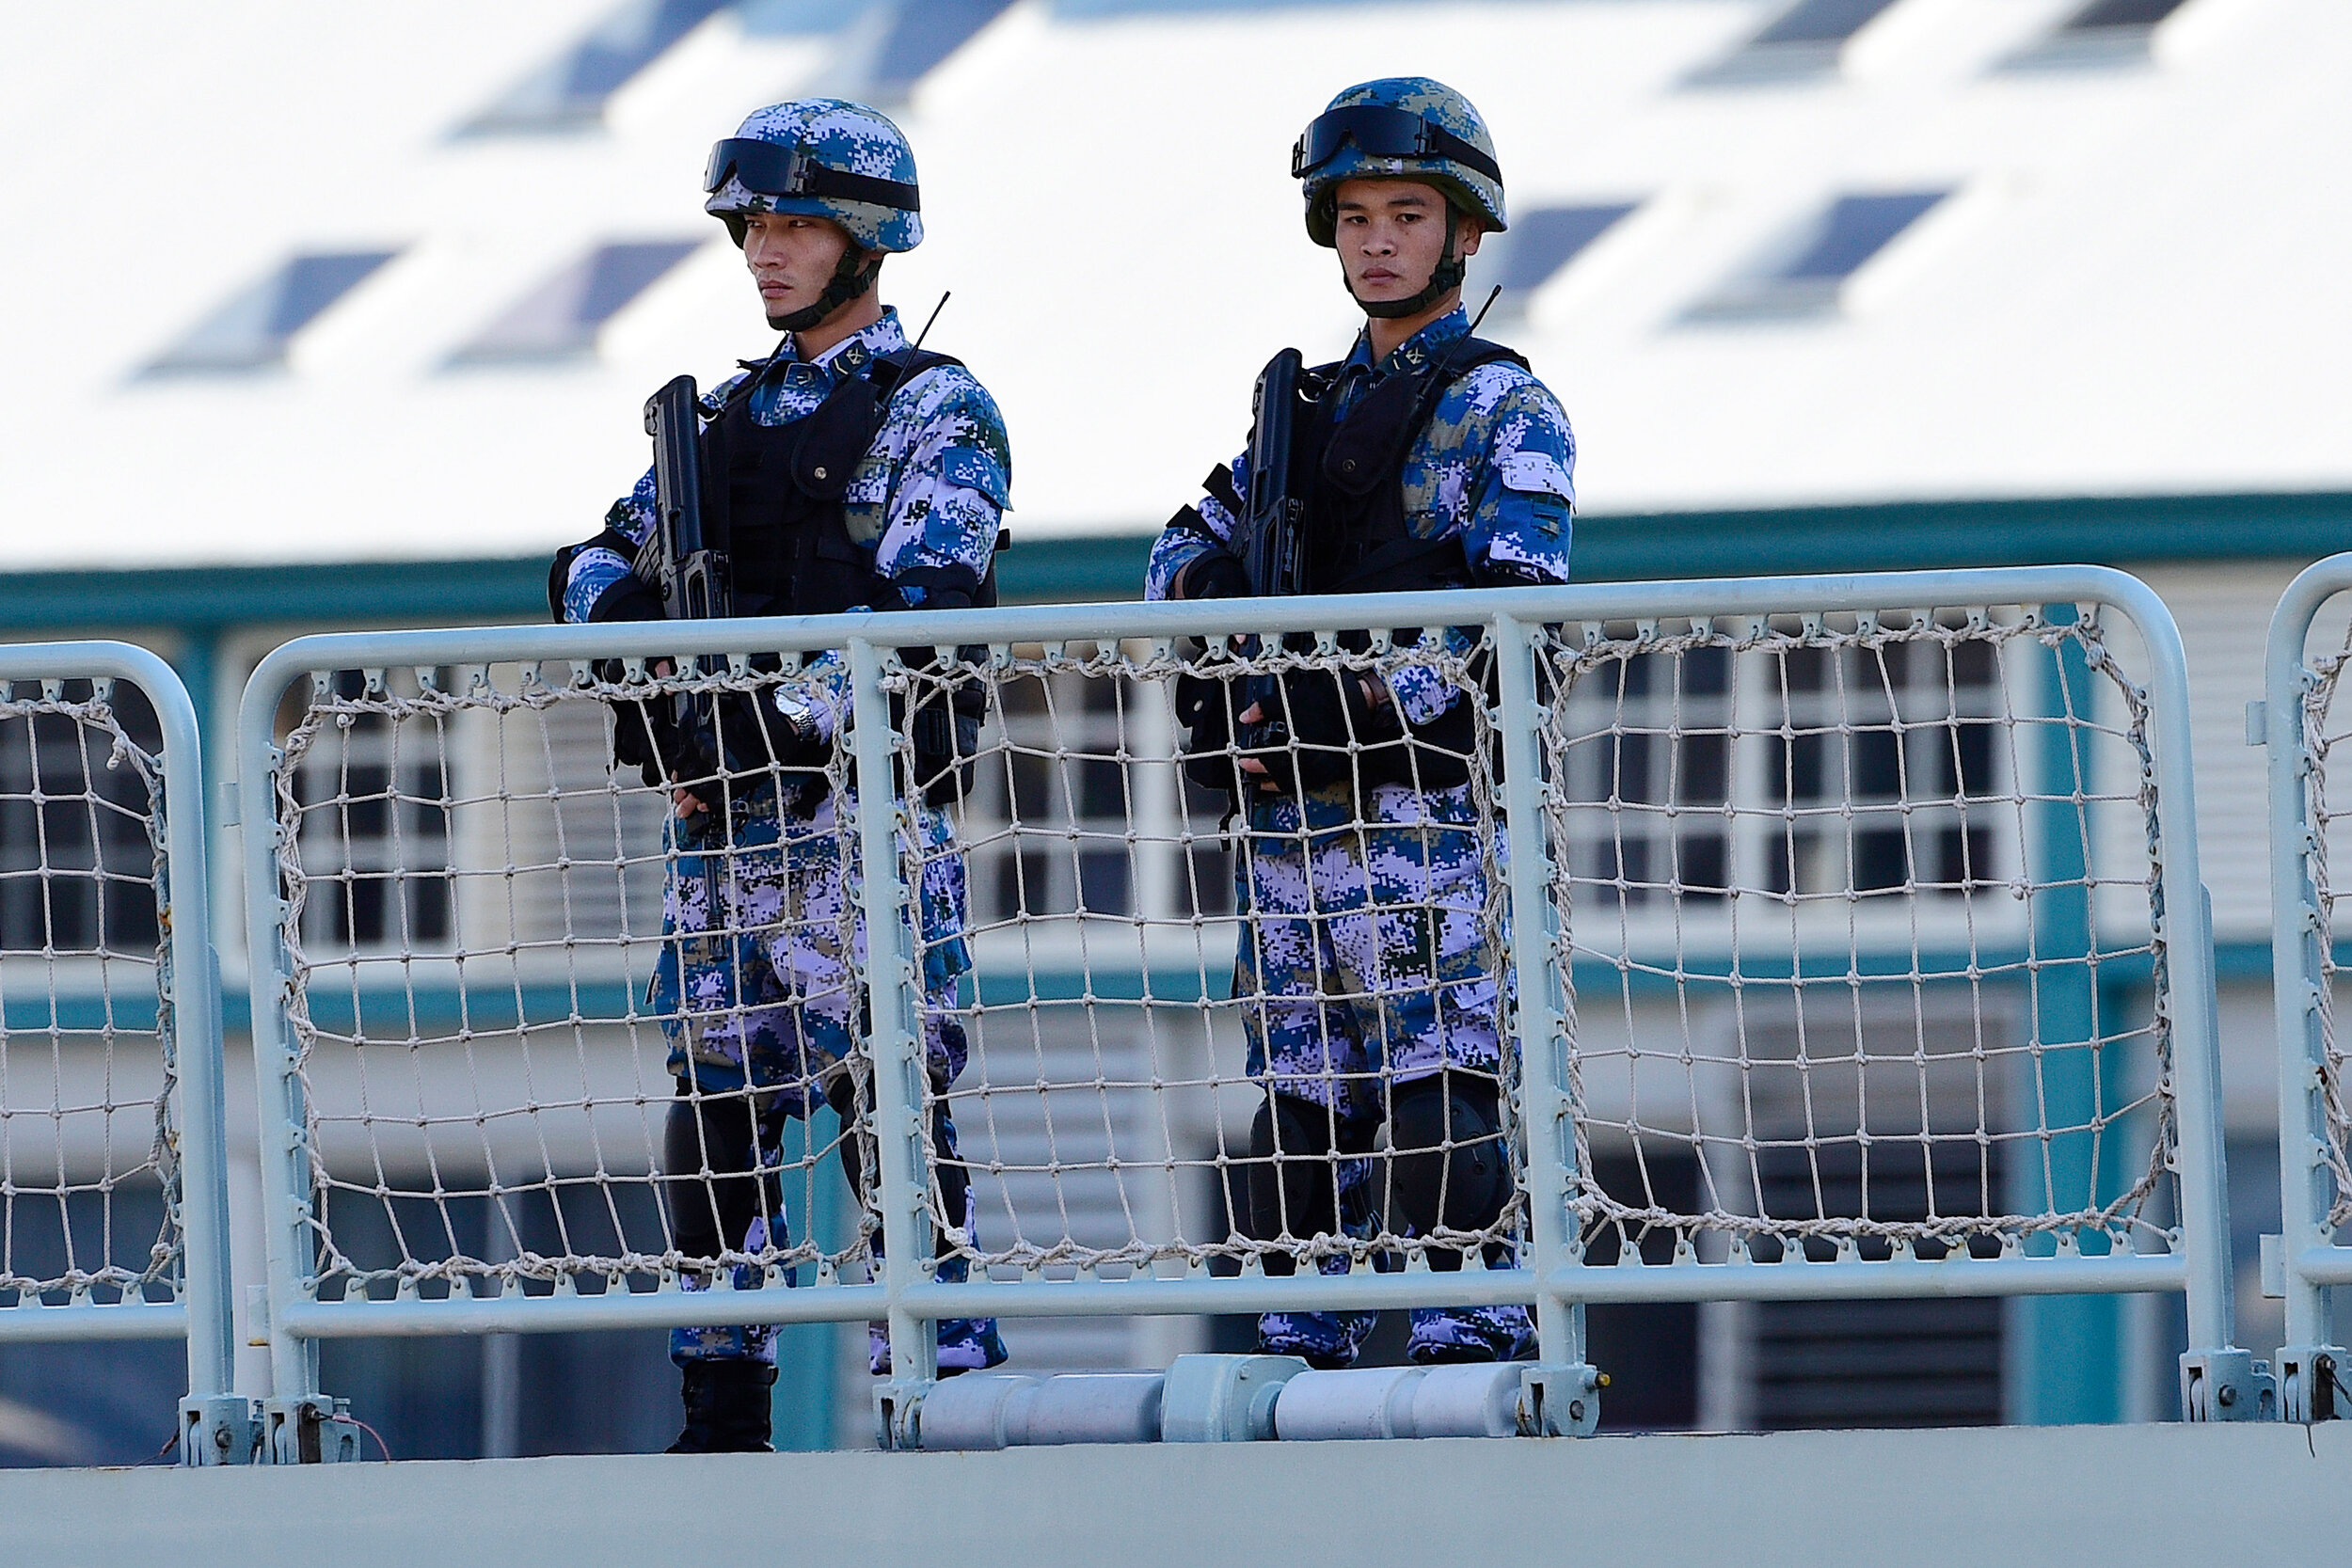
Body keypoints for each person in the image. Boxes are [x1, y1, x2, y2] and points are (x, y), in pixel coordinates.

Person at [550, 98, 1009, 1453]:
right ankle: (717, 1400)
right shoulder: (721, 424)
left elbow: (924, 591)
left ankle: (939, 1389)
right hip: (723, 842)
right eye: (753, 222)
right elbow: (593, 563)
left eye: (797, 222)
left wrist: (778, 720)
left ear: (865, 238)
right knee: (713, 1119)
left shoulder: (936, 409)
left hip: (857, 823)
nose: (765, 248)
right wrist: (635, 647)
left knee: (894, 1112)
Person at [1146, 78, 1577, 1369]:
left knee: (1440, 1070)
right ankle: (1295, 1332)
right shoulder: (1298, 419)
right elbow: (1178, 563)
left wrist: (1321, 685)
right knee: (1298, 1083)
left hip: (1420, 811)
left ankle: (1463, 1330)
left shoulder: (1507, 409)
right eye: (1353, 216)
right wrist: (1251, 666)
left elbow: (1506, 611)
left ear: (1463, 232)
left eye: (1405, 213)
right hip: (1288, 820)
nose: (1376, 240)